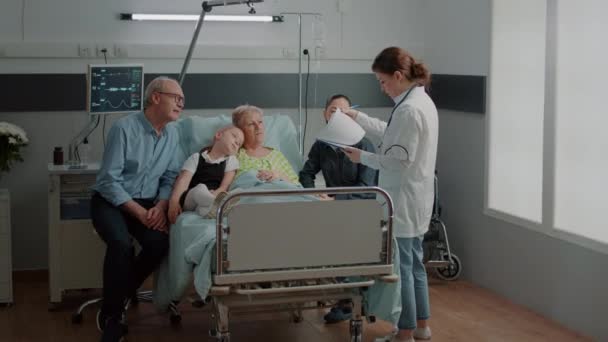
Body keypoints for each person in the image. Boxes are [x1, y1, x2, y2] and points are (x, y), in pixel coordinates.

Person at [342, 47, 437, 342]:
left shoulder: (409, 109)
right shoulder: (419, 101)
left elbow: (399, 159)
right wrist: (356, 116)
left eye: (382, 81)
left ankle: (405, 333)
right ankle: (421, 327)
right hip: (416, 196)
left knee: (405, 269)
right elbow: (390, 133)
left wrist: (362, 157)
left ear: (397, 76)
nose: (381, 88)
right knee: (415, 264)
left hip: (405, 198)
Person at [91, 76, 184, 342]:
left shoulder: (173, 133)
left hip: (148, 203)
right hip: (111, 201)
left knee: (159, 243)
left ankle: (118, 297)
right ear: (156, 97)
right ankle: (111, 317)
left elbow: (170, 176)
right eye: (176, 98)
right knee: (121, 244)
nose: (181, 104)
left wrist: (162, 204)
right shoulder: (124, 128)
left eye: (182, 100)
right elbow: (109, 180)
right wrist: (140, 213)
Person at [299, 94, 377, 202]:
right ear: (325, 114)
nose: (338, 116)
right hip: (331, 206)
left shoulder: (364, 145)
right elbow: (306, 174)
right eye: (333, 111)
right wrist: (313, 194)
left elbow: (368, 188)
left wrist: (336, 199)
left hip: (360, 206)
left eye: (343, 112)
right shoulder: (320, 145)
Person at [167, 125, 244, 223]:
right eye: (234, 136)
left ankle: (214, 208)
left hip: (210, 198)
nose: (237, 142)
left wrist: (215, 194)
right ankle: (222, 206)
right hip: (190, 198)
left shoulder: (231, 161)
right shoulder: (196, 157)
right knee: (200, 188)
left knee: (238, 191)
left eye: (239, 144)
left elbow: (224, 186)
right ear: (219, 135)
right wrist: (174, 202)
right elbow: (183, 181)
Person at [231, 105, 299, 184]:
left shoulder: (276, 155)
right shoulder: (235, 155)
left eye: (260, 122)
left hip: (280, 193)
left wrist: (279, 176)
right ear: (240, 130)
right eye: (251, 124)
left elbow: (296, 186)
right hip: (251, 194)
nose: (258, 127)